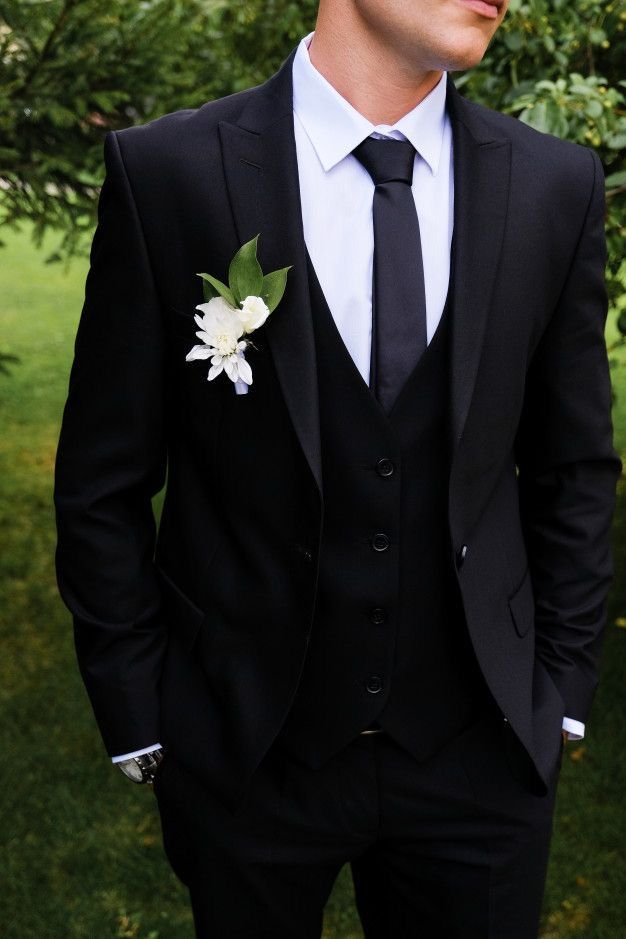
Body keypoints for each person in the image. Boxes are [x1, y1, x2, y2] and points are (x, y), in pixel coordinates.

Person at [54, 0, 622, 936]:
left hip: (481, 753)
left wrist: (557, 695)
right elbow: (102, 479)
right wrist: (144, 709)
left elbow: (575, 465)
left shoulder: (555, 184)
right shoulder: (170, 172)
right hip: (244, 747)